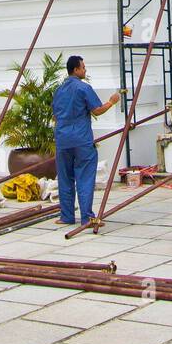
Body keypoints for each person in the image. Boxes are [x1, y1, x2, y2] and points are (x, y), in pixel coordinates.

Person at [52, 57, 121, 228]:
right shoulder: (83, 88)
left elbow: (55, 115)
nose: (85, 70)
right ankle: (86, 217)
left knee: (65, 178)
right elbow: (97, 109)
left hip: (62, 139)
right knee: (84, 177)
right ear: (76, 70)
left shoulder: (59, 90)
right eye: (83, 67)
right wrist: (112, 102)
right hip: (81, 140)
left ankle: (66, 216)